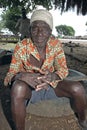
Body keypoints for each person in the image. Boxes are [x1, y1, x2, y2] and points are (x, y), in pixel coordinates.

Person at [4, 9, 87, 130]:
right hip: (29, 90)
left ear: (50, 31)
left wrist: (53, 76)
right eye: (35, 28)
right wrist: (20, 76)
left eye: (44, 28)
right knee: (18, 88)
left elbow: (63, 70)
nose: (39, 32)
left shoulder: (56, 45)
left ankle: (83, 120)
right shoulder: (21, 47)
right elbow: (9, 76)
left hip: (51, 86)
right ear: (30, 30)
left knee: (78, 88)